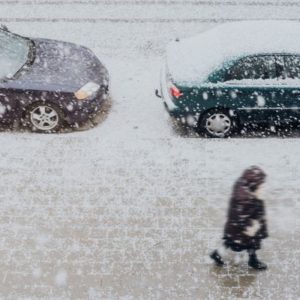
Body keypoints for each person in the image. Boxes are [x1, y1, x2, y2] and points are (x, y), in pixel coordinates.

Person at [210, 166, 268, 270]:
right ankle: (252, 260)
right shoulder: (244, 199)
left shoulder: (246, 189)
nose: (263, 187)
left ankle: (218, 254)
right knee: (248, 242)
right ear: (253, 185)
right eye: (261, 185)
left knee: (232, 241)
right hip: (241, 229)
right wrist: (251, 226)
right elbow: (240, 217)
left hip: (237, 227)